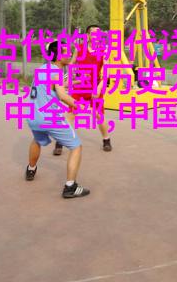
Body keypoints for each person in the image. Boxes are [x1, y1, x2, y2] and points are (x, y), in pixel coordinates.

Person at [26, 41, 90, 199]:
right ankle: (70, 187)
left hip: (33, 116)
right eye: (67, 52)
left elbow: (55, 85)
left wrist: (77, 81)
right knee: (76, 147)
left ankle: (31, 169)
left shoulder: (42, 69)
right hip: (50, 118)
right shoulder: (57, 73)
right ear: (59, 56)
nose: (70, 55)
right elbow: (62, 95)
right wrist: (79, 106)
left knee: (37, 140)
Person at [53, 24, 112, 155]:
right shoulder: (79, 48)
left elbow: (106, 73)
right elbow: (71, 65)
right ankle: (60, 141)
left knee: (98, 115)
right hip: (80, 86)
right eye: (94, 33)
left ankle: (106, 139)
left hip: (95, 86)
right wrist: (69, 78)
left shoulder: (104, 50)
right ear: (88, 35)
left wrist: (98, 88)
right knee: (71, 113)